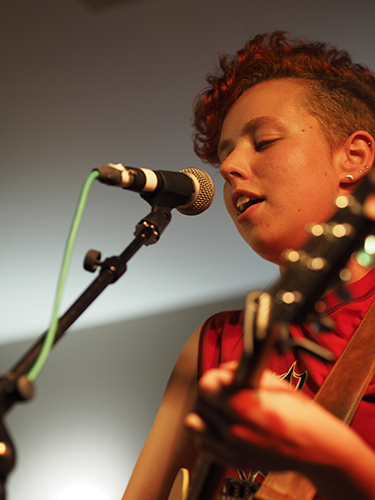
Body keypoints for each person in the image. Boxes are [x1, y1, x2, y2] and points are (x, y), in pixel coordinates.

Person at [121, 31, 375, 500]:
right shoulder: (214, 342)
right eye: (225, 152)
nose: (229, 166)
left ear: (354, 157)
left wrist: (335, 459)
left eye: (263, 141)